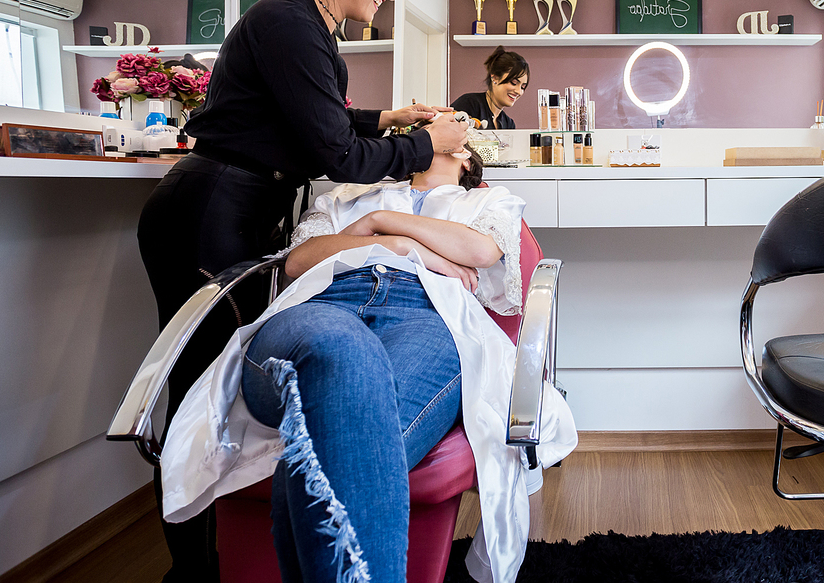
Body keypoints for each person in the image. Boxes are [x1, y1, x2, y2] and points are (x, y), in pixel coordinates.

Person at [137, 0, 468, 582]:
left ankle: (215, 557)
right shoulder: (288, 24)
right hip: (209, 212)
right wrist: (424, 146)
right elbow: (334, 155)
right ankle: (193, 569)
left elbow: (317, 119)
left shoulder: (304, 23)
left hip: (235, 207)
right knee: (200, 387)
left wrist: (387, 119)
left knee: (216, 382)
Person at [158, 141, 577, 583]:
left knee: (348, 429)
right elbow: (299, 261)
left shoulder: (488, 201)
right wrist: (403, 245)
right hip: (324, 304)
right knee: (341, 350)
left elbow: (478, 253)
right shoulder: (344, 197)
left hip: (429, 314)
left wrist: (379, 224)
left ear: (466, 157)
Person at [450, 46, 529, 129]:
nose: (519, 91)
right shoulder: (469, 104)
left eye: (523, 87)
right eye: (514, 83)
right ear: (495, 78)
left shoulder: (509, 123)